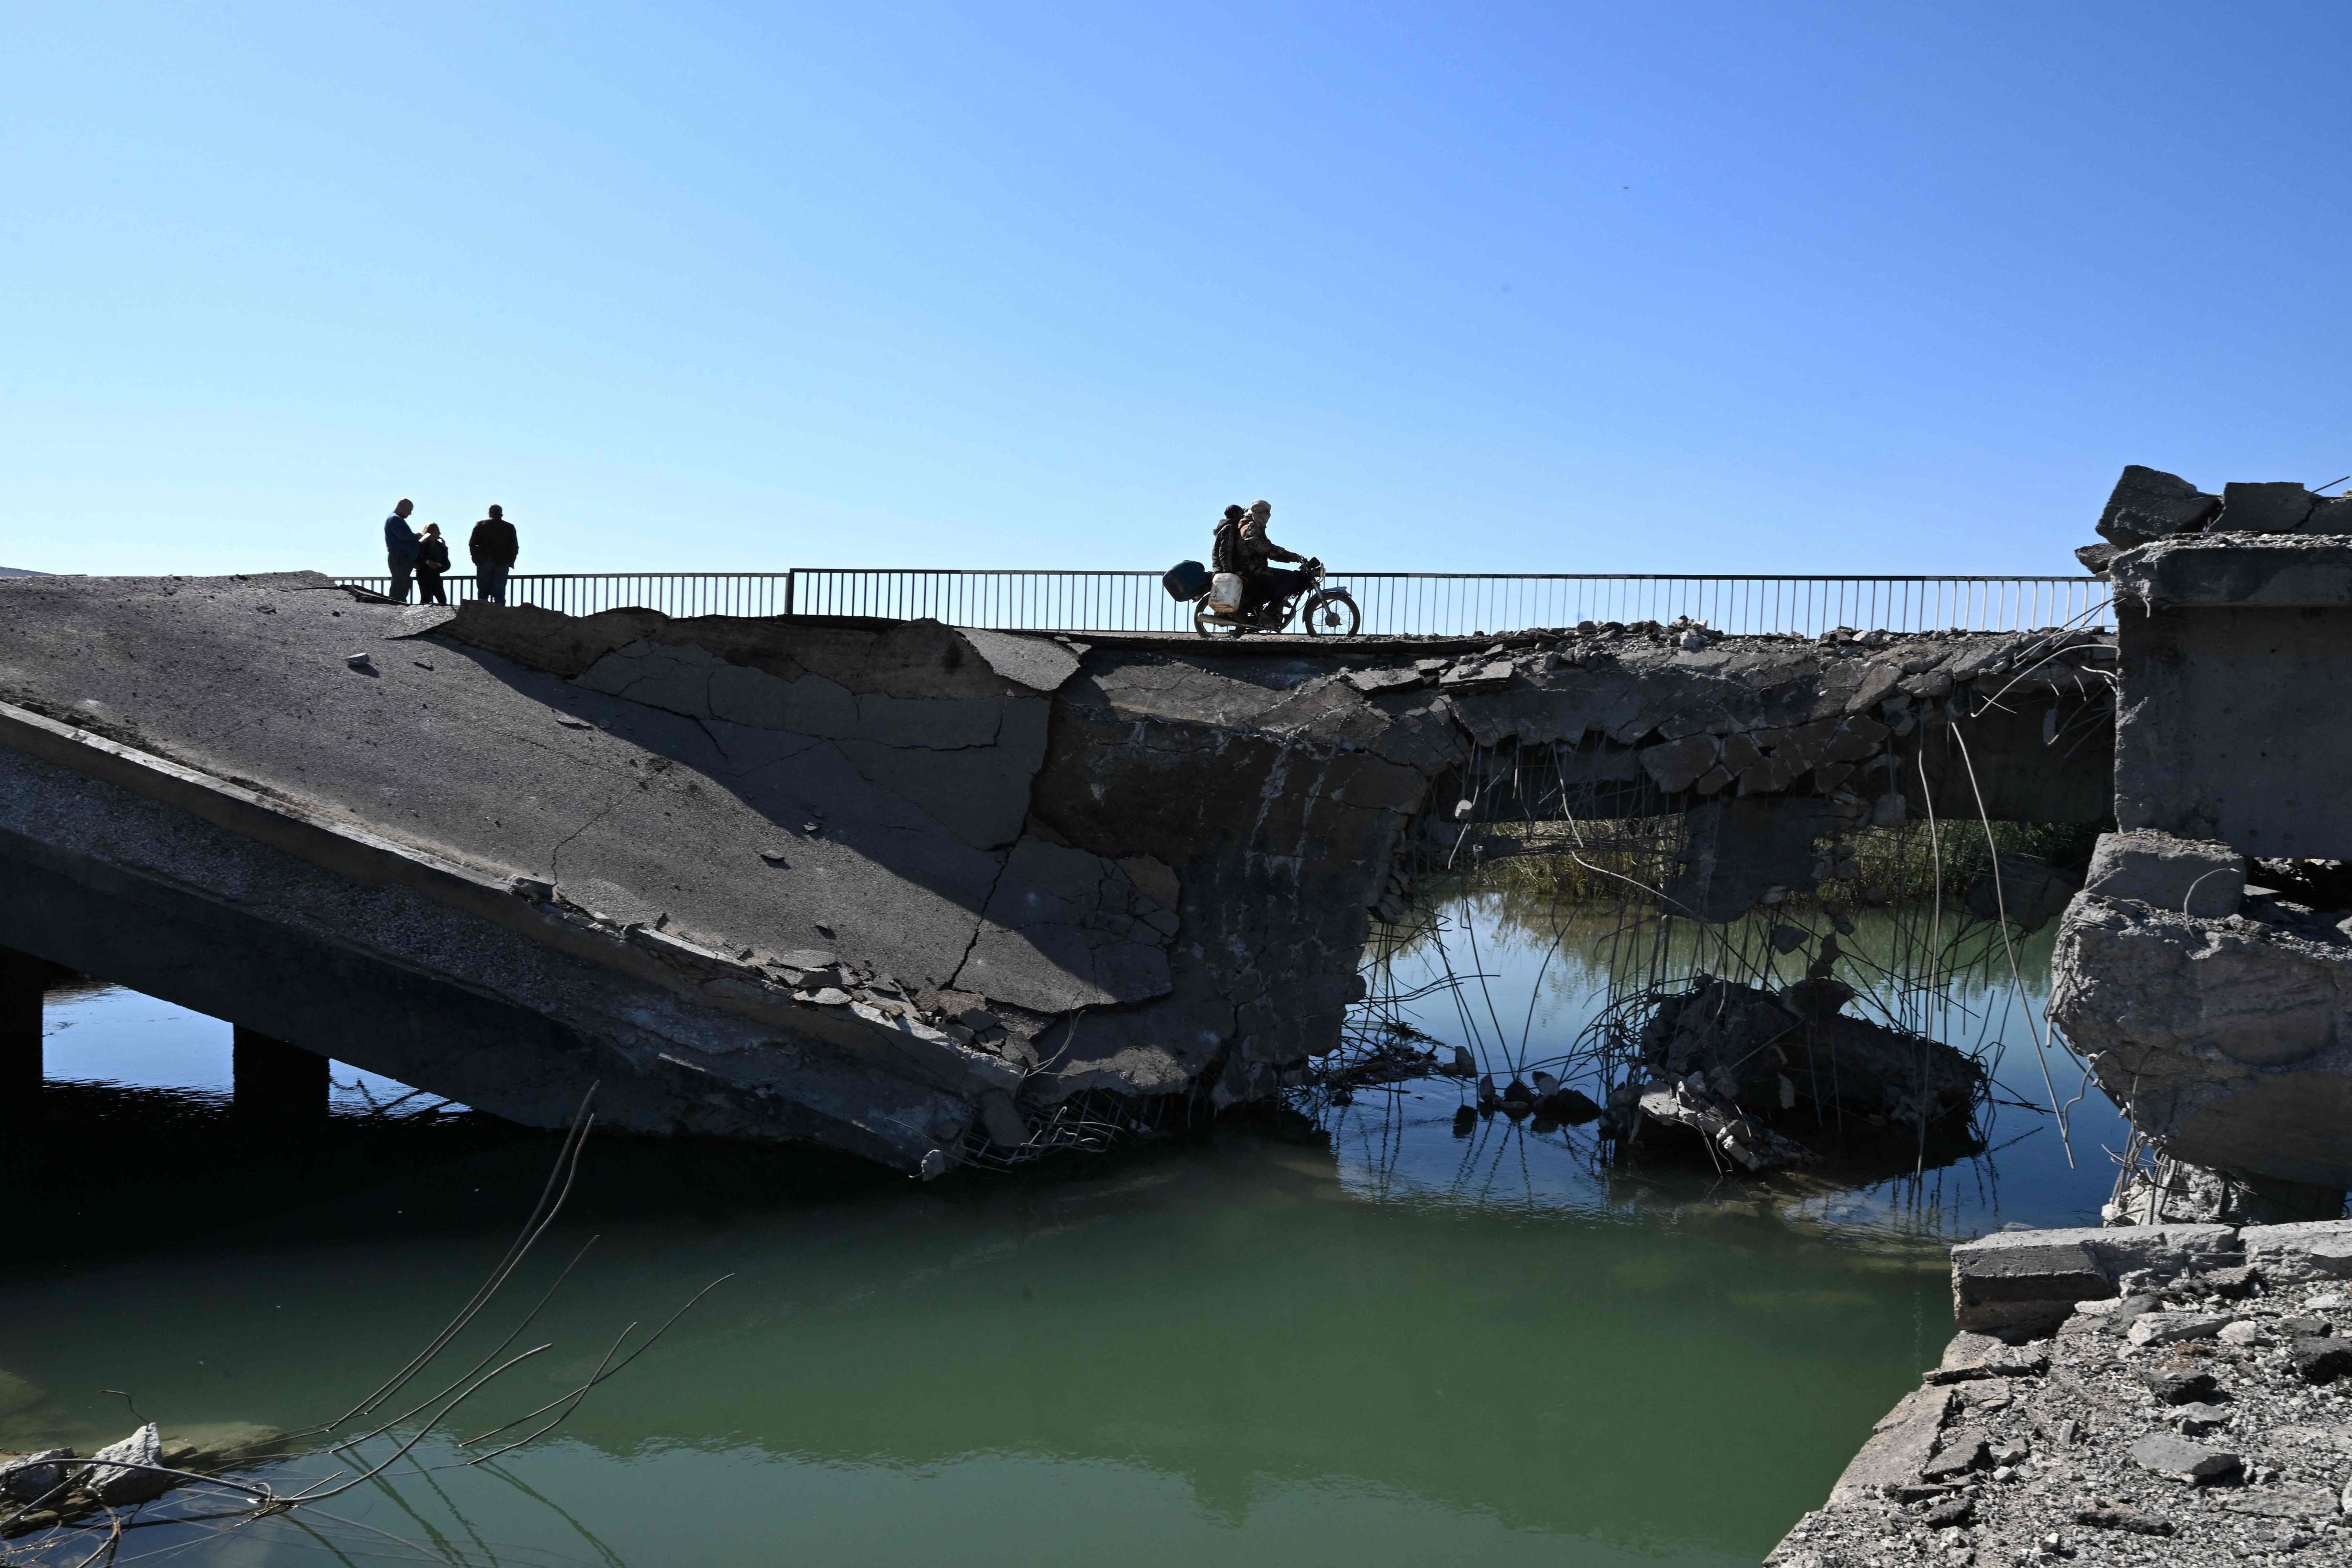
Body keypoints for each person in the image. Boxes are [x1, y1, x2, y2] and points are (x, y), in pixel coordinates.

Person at [1236, 499, 1309, 615]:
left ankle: (1270, 609)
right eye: (1265, 513)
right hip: (1252, 570)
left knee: (1286, 577)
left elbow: (1269, 551)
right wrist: (1290, 556)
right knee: (1289, 577)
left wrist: (1292, 558)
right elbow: (1263, 548)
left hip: (1255, 568)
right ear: (1258, 513)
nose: (1267, 517)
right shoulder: (1251, 527)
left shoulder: (1256, 527)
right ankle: (1271, 611)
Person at [469, 504, 519, 605]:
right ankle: (499, 617)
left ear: (490, 513)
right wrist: (510, 561)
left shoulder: (481, 525)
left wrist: (476, 559)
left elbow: (472, 544)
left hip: (484, 562)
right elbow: (514, 547)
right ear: (501, 515)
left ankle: (482, 614)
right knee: (500, 594)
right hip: (502, 562)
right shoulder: (509, 527)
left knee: (483, 593)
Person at [383, 499, 420, 604]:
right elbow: (403, 536)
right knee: (399, 586)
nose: (410, 513)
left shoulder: (395, 518)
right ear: (402, 506)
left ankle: (398, 605)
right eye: (409, 510)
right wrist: (416, 536)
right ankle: (396, 607)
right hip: (400, 559)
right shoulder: (395, 519)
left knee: (402, 585)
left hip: (402, 559)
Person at [414, 523, 451, 605]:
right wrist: (427, 562)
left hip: (435, 575)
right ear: (431, 532)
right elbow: (416, 557)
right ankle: (422, 617)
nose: (440, 534)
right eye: (438, 531)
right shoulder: (422, 542)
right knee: (425, 600)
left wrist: (445, 550)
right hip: (423, 575)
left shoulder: (440, 546)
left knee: (442, 600)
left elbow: (446, 564)